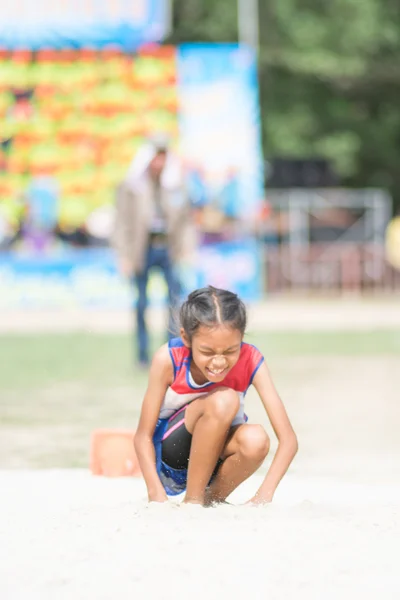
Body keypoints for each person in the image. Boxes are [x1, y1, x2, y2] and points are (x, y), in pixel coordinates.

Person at [134, 286, 298, 506]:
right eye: (207, 352)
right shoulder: (168, 360)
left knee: (256, 440)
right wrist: (157, 497)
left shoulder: (252, 360)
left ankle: (210, 500)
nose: (219, 362)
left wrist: (263, 496)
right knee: (225, 400)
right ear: (186, 338)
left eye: (231, 351)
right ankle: (193, 501)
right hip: (171, 460)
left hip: (214, 462)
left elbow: (288, 440)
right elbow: (142, 436)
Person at [112, 135, 196, 368]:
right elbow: (121, 221)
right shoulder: (132, 186)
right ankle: (141, 354)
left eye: (163, 157)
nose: (159, 163)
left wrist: (187, 249)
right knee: (141, 304)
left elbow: (186, 220)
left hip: (168, 248)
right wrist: (124, 255)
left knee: (175, 303)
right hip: (142, 249)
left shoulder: (175, 185)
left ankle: (172, 352)